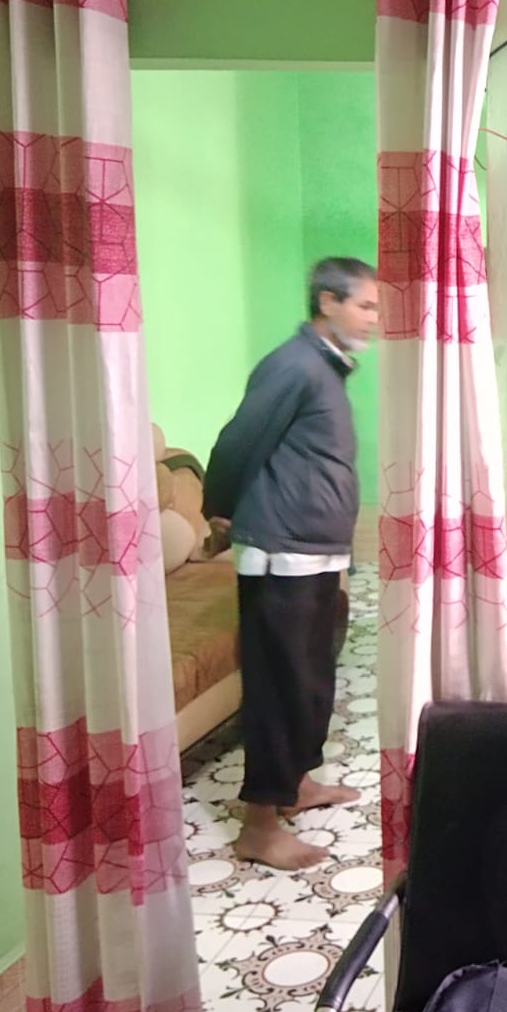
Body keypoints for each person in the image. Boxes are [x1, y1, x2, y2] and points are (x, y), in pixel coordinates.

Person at [202, 256, 380, 870]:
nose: (373, 318)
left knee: (311, 677)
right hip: (281, 553)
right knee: (278, 687)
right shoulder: (293, 365)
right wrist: (219, 510)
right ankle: (258, 826)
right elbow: (237, 442)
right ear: (328, 302)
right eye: (365, 305)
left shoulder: (324, 368)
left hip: (314, 551)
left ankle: (296, 784)